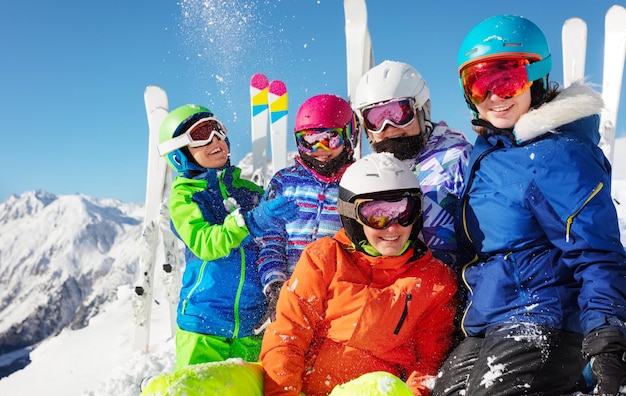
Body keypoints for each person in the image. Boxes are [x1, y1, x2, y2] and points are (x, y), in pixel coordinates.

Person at [431, 15, 626, 396]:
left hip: (547, 316)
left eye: (507, 80)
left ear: (538, 75)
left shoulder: (560, 156)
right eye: (478, 85)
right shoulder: (493, 151)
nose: (494, 96)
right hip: (491, 318)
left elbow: (597, 253)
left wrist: (607, 335)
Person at [261, 152, 459, 396]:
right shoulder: (324, 258)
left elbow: (428, 364)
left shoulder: (433, 282)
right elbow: (287, 334)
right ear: (352, 216)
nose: (392, 226)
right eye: (377, 214)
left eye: (402, 211)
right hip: (302, 386)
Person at [156, 104, 299, 370]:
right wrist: (252, 221)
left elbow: (278, 237)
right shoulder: (186, 197)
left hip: (252, 325)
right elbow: (205, 242)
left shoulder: (248, 190)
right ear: (178, 154)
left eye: (218, 131)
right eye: (202, 134)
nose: (216, 139)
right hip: (203, 325)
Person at [352, 60, 472, 268]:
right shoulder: (371, 172)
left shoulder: (456, 159)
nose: (389, 127)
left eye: (399, 113)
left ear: (421, 108)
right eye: (376, 118)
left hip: (453, 287)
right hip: (397, 291)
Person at [254, 94, 356, 332]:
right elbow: (272, 239)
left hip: (337, 298)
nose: (320, 150)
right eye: (309, 140)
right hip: (289, 294)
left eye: (330, 139)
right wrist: (275, 283)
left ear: (348, 136)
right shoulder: (285, 181)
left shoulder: (356, 182)